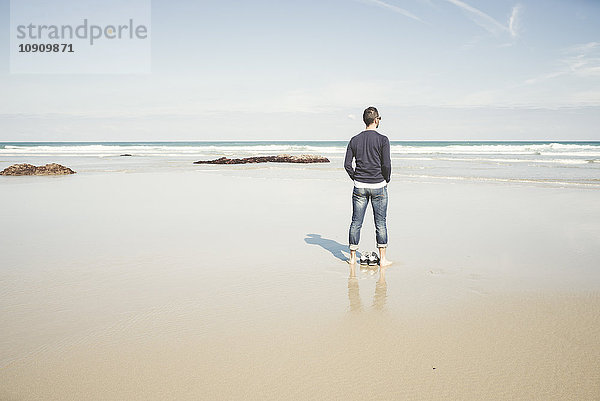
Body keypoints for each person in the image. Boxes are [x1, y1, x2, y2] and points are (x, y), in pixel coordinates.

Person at [344, 106, 392, 267]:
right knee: (380, 223)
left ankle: (352, 258)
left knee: (356, 222)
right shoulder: (383, 139)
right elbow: (386, 164)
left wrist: (356, 177)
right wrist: (386, 179)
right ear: (376, 120)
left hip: (359, 186)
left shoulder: (354, 139)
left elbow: (347, 165)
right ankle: (383, 259)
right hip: (379, 186)